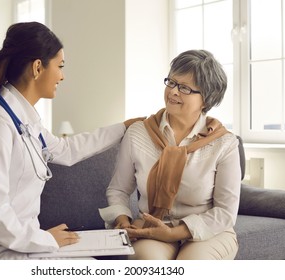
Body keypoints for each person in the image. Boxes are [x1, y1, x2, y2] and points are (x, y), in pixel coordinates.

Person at [0, 21, 141, 260]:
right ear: (37, 67)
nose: (62, 75)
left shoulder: (24, 119)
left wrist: (123, 127)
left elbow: (66, 150)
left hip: (20, 242)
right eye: (60, 66)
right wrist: (46, 240)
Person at [99, 49, 241, 260]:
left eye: (184, 88)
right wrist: (122, 219)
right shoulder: (139, 133)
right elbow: (119, 189)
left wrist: (174, 233)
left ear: (206, 99)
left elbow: (224, 213)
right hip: (153, 227)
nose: (173, 92)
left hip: (207, 232)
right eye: (171, 83)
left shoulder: (224, 143)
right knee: (146, 262)